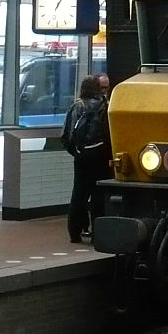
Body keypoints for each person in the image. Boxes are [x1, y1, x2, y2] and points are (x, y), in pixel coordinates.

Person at [61, 73, 112, 243]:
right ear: (98, 89)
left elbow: (66, 135)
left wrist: (77, 152)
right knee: (99, 196)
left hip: (81, 157)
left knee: (78, 195)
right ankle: (98, 233)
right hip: (101, 156)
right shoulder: (106, 106)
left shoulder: (76, 106)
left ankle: (74, 233)